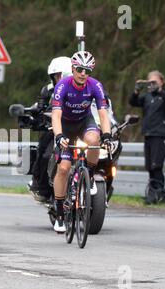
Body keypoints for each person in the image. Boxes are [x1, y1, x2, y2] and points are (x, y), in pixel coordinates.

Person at [51, 51, 112, 233]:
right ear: (73, 69)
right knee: (63, 168)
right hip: (65, 126)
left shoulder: (95, 86)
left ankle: (90, 175)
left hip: (85, 122)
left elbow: (103, 113)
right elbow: (56, 115)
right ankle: (60, 214)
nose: (83, 73)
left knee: (94, 141)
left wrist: (107, 134)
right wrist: (59, 135)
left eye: (87, 70)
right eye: (79, 69)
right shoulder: (62, 86)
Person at [28, 57, 72, 202]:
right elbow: (40, 108)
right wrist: (37, 116)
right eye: (55, 76)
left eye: (58, 75)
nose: (56, 78)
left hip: (76, 128)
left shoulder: (81, 88)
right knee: (45, 152)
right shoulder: (48, 89)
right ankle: (41, 188)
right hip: (54, 127)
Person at [129, 70, 165, 204]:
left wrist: (160, 90)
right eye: (150, 82)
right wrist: (136, 91)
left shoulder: (164, 96)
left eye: (154, 81)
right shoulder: (147, 97)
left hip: (159, 136)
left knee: (157, 166)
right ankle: (152, 194)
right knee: (150, 166)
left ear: (161, 81)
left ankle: (159, 194)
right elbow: (133, 102)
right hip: (148, 134)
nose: (152, 84)